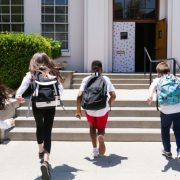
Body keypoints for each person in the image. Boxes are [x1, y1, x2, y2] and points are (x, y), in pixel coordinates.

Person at [16, 52, 64, 180]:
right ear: (48, 61)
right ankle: (45, 162)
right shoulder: (53, 73)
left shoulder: (31, 74)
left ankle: (40, 150)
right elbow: (61, 91)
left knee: (39, 126)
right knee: (47, 132)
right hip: (51, 105)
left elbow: (20, 90)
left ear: (34, 61)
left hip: (37, 105)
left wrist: (18, 97)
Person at [76, 60, 116, 157]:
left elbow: (79, 96)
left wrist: (78, 111)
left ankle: (94, 150)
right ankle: (100, 135)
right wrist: (108, 104)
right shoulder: (105, 79)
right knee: (101, 128)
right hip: (102, 109)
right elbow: (114, 96)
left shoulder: (86, 79)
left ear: (90, 70)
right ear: (102, 70)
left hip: (89, 109)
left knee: (92, 127)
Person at [147, 62, 180, 161]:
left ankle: (167, 150)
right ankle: (179, 151)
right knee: (178, 131)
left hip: (165, 111)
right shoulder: (177, 79)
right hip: (178, 110)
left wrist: (150, 96)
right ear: (169, 71)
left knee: (165, 129)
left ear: (158, 73)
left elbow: (151, 87)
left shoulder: (158, 80)